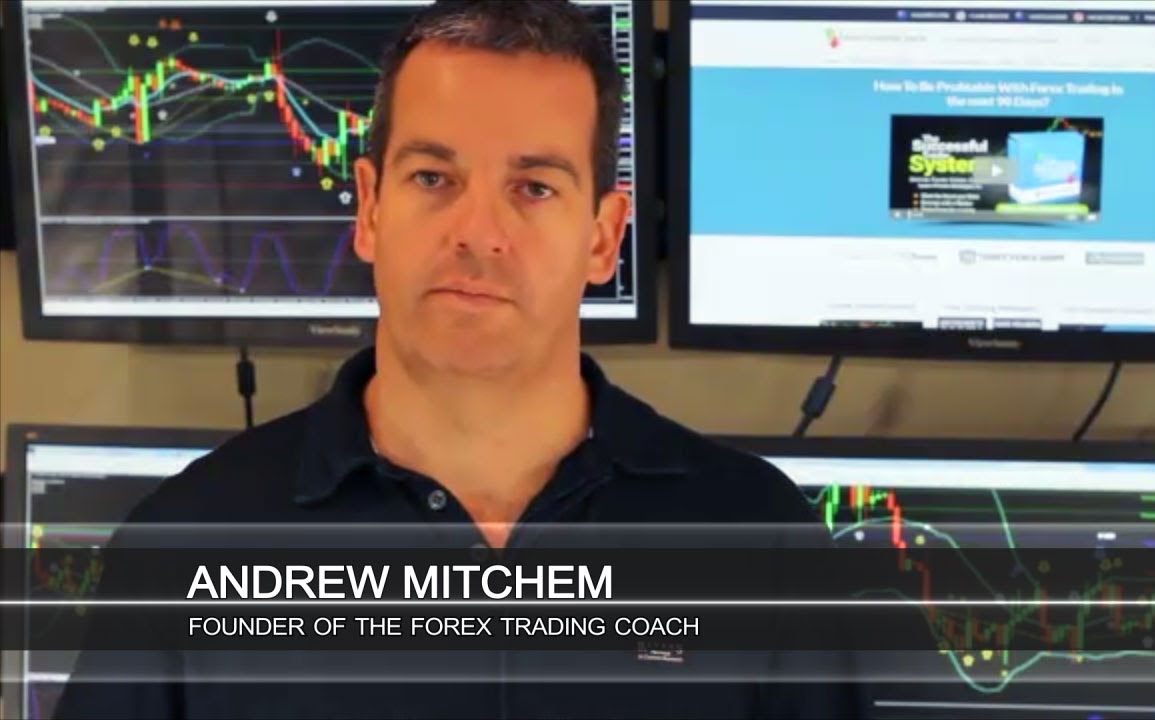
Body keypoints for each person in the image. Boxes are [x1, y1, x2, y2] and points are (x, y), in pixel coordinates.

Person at [53, 2, 856, 717]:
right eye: (434, 177)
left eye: (534, 187)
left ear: (603, 238)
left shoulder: (761, 541)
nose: (477, 233)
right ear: (371, 209)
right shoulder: (186, 542)